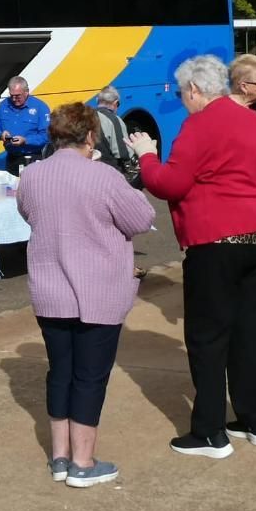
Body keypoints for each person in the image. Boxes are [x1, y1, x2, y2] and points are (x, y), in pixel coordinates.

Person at [129, 55, 256, 458]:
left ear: (195, 90)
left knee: (207, 333)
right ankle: (255, 420)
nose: (183, 100)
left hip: (219, 235)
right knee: (249, 328)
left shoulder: (201, 123)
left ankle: (209, 432)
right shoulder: (253, 119)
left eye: (184, 92)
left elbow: (170, 182)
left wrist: (147, 154)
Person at [16, 103, 155, 488]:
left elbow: (28, 214)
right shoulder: (104, 176)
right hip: (98, 291)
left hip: (49, 289)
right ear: (91, 136)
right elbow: (141, 219)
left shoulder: (32, 176)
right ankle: (82, 460)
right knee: (90, 377)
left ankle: (60, 457)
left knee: (60, 373)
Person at [0, 76, 50, 175]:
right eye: (11, 96)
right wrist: (0, 134)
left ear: (26, 92)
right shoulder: (4, 105)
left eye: (17, 96)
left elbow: (46, 136)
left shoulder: (40, 107)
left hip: (33, 159)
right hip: (12, 159)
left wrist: (25, 140)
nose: (14, 99)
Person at [93, 85, 136, 180]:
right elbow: (124, 154)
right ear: (115, 103)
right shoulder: (114, 120)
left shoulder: (86, 116)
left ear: (97, 101)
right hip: (107, 173)